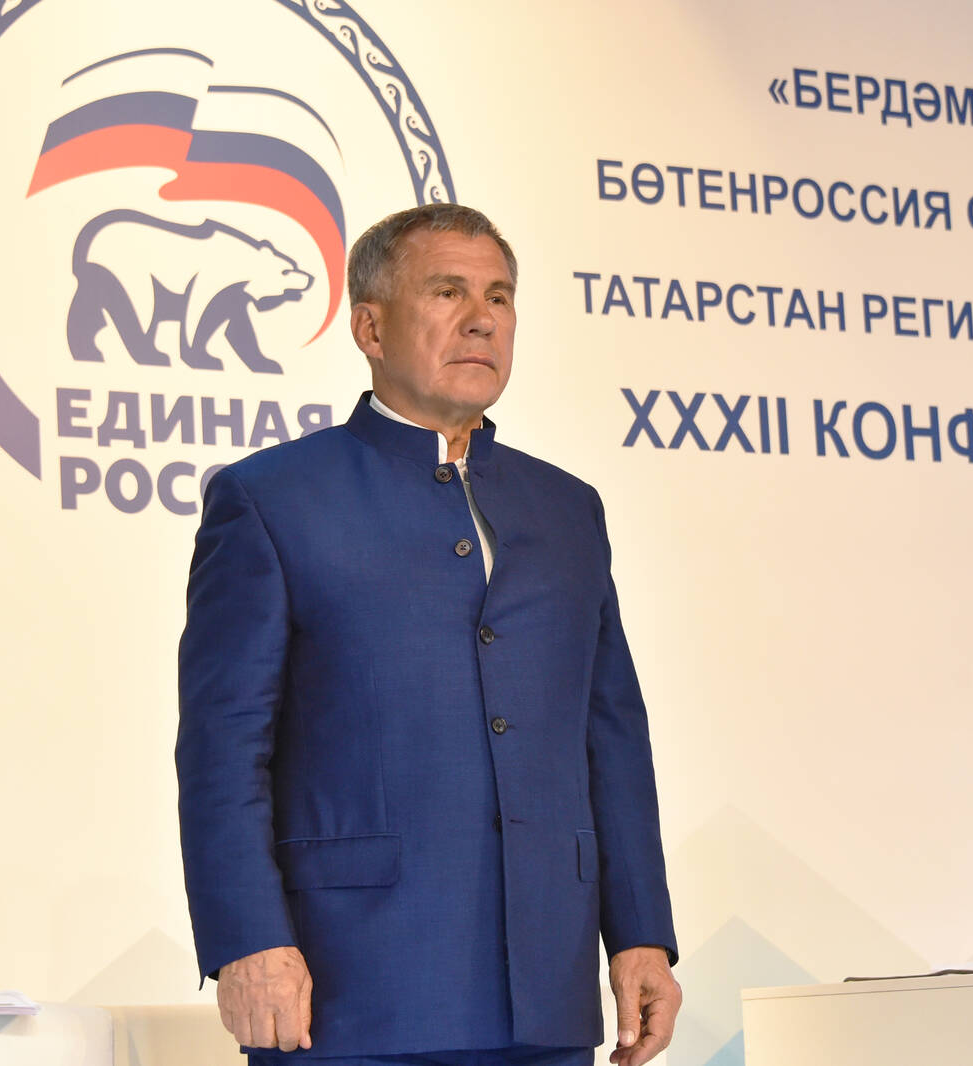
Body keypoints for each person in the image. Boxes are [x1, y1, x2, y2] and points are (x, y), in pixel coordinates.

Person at [176, 203, 681, 1066]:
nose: (482, 318)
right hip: (348, 993)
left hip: (546, 997)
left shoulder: (568, 509)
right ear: (370, 328)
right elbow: (224, 746)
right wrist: (247, 940)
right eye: (448, 292)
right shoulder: (270, 499)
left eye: (500, 296)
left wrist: (640, 934)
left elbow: (611, 737)